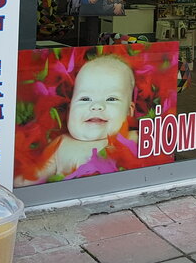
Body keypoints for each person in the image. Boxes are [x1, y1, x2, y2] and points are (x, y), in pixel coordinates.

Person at [20, 55, 138, 184]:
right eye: (85, 99)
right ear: (70, 109)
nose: (96, 106)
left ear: (129, 111)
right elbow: (29, 180)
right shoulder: (61, 144)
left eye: (111, 99)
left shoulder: (133, 138)